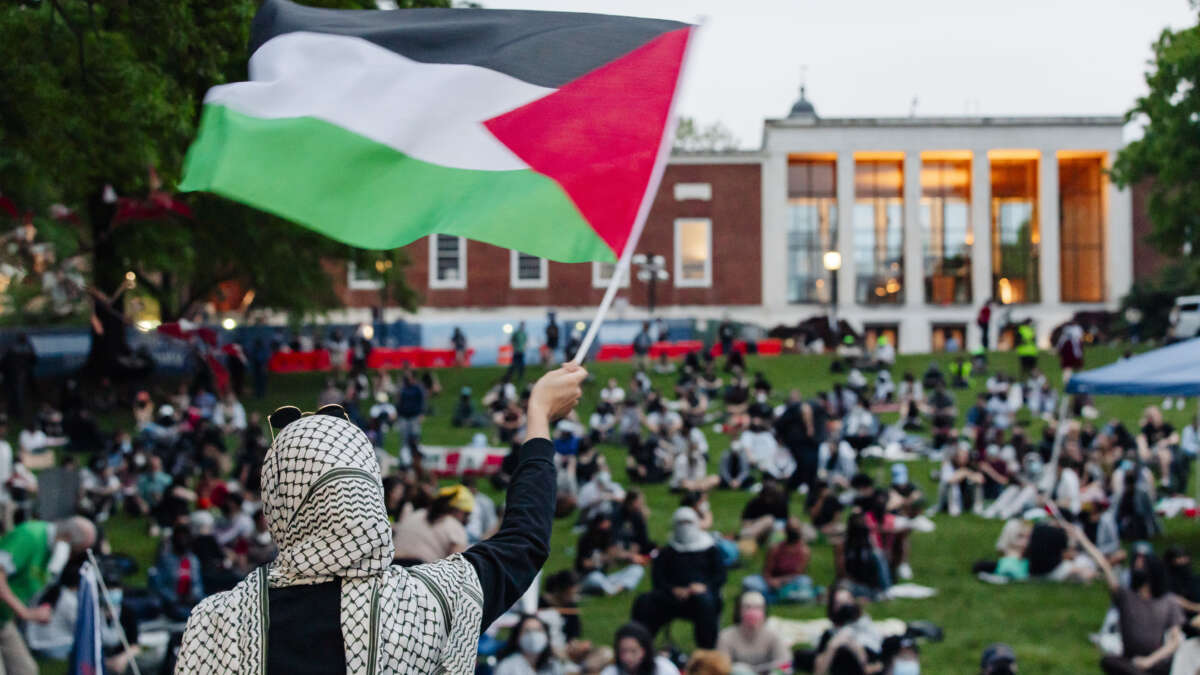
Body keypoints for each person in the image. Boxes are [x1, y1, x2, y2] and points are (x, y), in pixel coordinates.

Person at [178, 364, 587, 674]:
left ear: (277, 503)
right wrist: (538, 415)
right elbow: (524, 540)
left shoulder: (217, 624)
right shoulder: (426, 603)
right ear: (369, 488)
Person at [1070, 524, 1184, 674]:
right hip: (1129, 660)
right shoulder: (1126, 596)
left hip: (1155, 663)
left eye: (1142, 564)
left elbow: (1175, 640)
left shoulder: (1168, 601)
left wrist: (1150, 661)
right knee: (1109, 661)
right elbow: (1104, 565)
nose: (1137, 567)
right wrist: (1082, 538)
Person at [0, 516, 96, 675]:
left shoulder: (52, 552)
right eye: (76, 551)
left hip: (3, 620)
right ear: (68, 538)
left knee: (26, 670)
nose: (72, 557)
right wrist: (26, 613)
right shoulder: (30, 536)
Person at [631, 507, 726, 648]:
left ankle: (707, 649)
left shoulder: (710, 550)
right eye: (681, 523)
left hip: (701, 596)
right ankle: (640, 644)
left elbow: (720, 576)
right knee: (644, 601)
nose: (685, 527)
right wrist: (673, 589)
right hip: (673, 597)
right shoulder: (667, 552)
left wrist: (703, 587)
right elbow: (658, 579)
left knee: (704, 603)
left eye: (688, 523)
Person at [391, 484, 473, 565]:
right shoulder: (456, 527)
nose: (467, 519)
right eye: (467, 514)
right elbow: (457, 566)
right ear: (458, 511)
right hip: (421, 574)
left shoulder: (416, 514)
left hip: (392, 567)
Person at [741, 518, 815, 604]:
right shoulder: (775, 548)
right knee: (748, 582)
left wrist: (782, 581)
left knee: (805, 581)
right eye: (791, 530)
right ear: (786, 531)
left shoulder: (805, 551)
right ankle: (786, 597)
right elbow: (766, 571)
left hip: (791, 581)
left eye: (795, 530)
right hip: (772, 582)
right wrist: (771, 581)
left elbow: (799, 573)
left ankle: (773, 597)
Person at [716, 591, 790, 673]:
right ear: (739, 611)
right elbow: (722, 668)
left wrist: (756, 670)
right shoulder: (725, 636)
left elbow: (785, 664)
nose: (753, 612)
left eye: (758, 607)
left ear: (764, 611)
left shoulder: (774, 634)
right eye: (748, 607)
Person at [601, 622, 680, 675]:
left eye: (633, 651)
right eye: (623, 651)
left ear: (644, 651)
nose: (627, 657)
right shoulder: (611, 672)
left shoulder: (664, 669)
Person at [495, 614, 564, 675]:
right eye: (527, 631)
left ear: (546, 636)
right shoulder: (506, 667)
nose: (533, 635)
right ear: (517, 637)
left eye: (538, 630)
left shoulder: (554, 666)